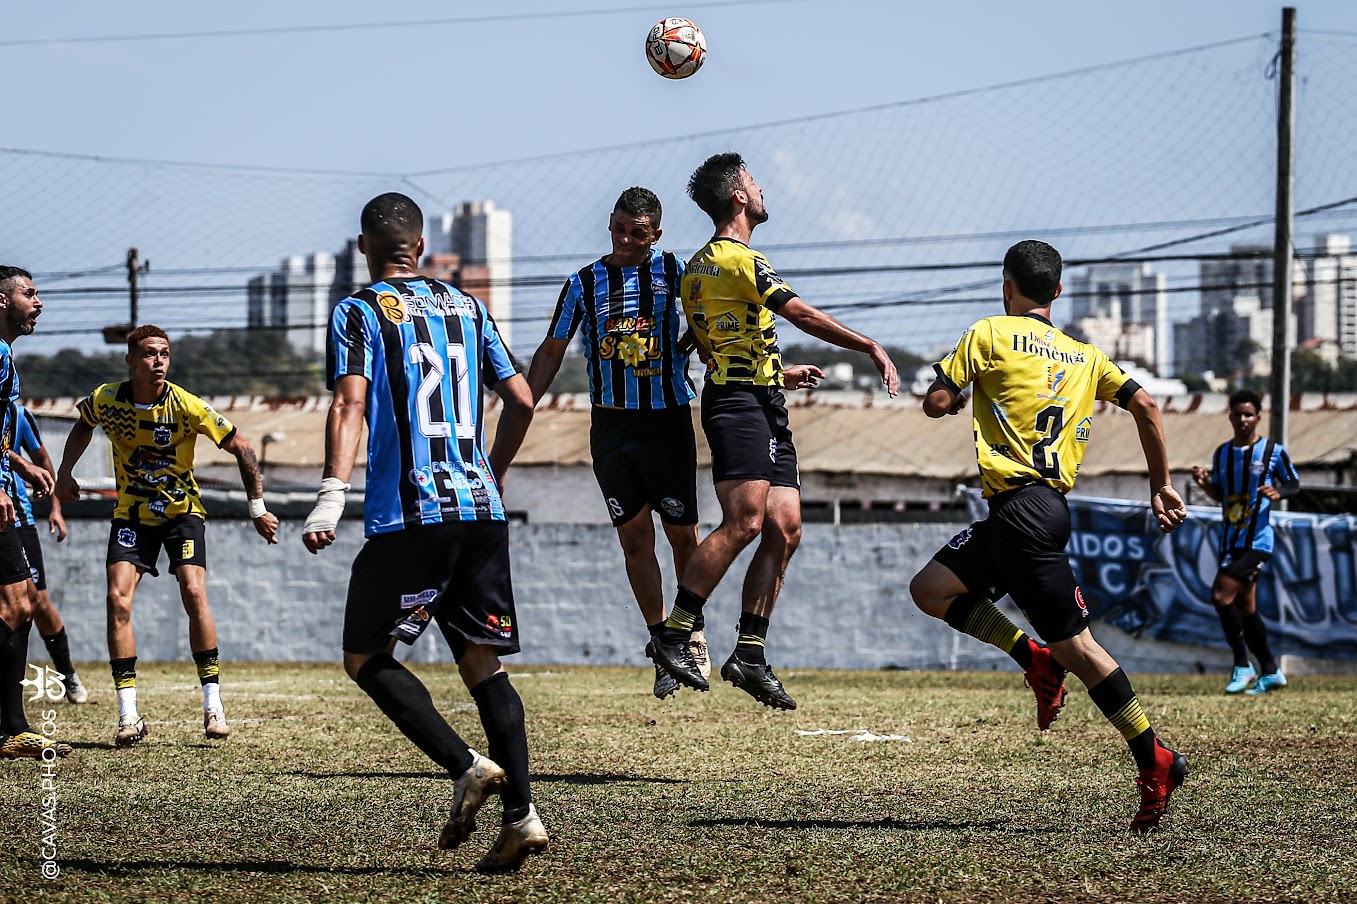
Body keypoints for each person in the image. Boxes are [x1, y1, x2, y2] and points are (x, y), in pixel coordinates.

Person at [909, 240, 1190, 832]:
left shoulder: (988, 334)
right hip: (1034, 511)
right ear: (1057, 293)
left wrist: (948, 396)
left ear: (1005, 285)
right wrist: (1160, 484)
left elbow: (936, 402)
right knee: (931, 588)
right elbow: (1148, 408)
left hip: (1022, 516)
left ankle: (1155, 758)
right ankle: (1032, 658)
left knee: (1081, 651)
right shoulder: (1085, 355)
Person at [302, 192, 545, 873]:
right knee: (480, 664)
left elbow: (350, 401)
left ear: (364, 248)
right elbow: (522, 399)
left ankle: (466, 766)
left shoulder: (358, 310)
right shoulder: (468, 306)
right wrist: (488, 472)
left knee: (363, 654)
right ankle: (522, 817)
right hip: (480, 511)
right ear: (421, 243)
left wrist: (330, 494)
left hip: (413, 516)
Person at [648, 152, 898, 711]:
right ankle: (674, 632)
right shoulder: (739, 260)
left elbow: (716, 344)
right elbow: (803, 316)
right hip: (741, 407)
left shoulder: (698, 267)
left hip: (760, 398)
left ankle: (750, 655)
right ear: (738, 195)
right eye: (754, 182)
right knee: (745, 522)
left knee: (784, 528)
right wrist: (870, 346)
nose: (762, 190)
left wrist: (779, 373)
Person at [55, 325, 279, 748]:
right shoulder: (107, 399)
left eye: (165, 354)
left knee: (194, 593)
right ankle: (128, 716)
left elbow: (242, 446)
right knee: (116, 599)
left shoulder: (187, 405)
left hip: (182, 515)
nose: (159, 362)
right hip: (132, 516)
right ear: (131, 361)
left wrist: (258, 507)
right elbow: (83, 424)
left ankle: (214, 706)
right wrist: (66, 472)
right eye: (150, 354)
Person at [526, 186, 706, 700]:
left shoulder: (676, 272)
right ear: (610, 223)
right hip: (612, 428)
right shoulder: (584, 283)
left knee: (682, 536)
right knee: (634, 540)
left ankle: (690, 631)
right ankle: (660, 646)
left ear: (657, 234)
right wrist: (523, 404)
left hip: (667, 421)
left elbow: (714, 315)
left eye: (638, 232)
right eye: (619, 229)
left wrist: (695, 335)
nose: (626, 240)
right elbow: (552, 349)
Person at [0, 266, 72, 760]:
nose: (38, 301)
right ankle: (10, 729)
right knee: (17, 604)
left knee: (24, 601)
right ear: (2, 301)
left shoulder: (6, 357)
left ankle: (12, 725)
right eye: (29, 293)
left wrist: (19, 462)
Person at [1190, 389, 1298, 696]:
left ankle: (1241, 665)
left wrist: (1281, 493)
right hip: (1230, 539)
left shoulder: (1272, 451)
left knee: (1221, 597)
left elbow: (1293, 482)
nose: (1242, 420)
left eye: (1248, 414)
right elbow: (1221, 495)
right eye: (1237, 414)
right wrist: (1204, 484)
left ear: (1258, 417)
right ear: (1230, 416)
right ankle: (1271, 671)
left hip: (1257, 542)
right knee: (1246, 608)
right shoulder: (1222, 453)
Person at [6, 403, 90, 703]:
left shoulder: (18, 416)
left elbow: (41, 460)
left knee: (36, 600)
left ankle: (67, 674)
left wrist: (55, 508)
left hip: (18, 518)